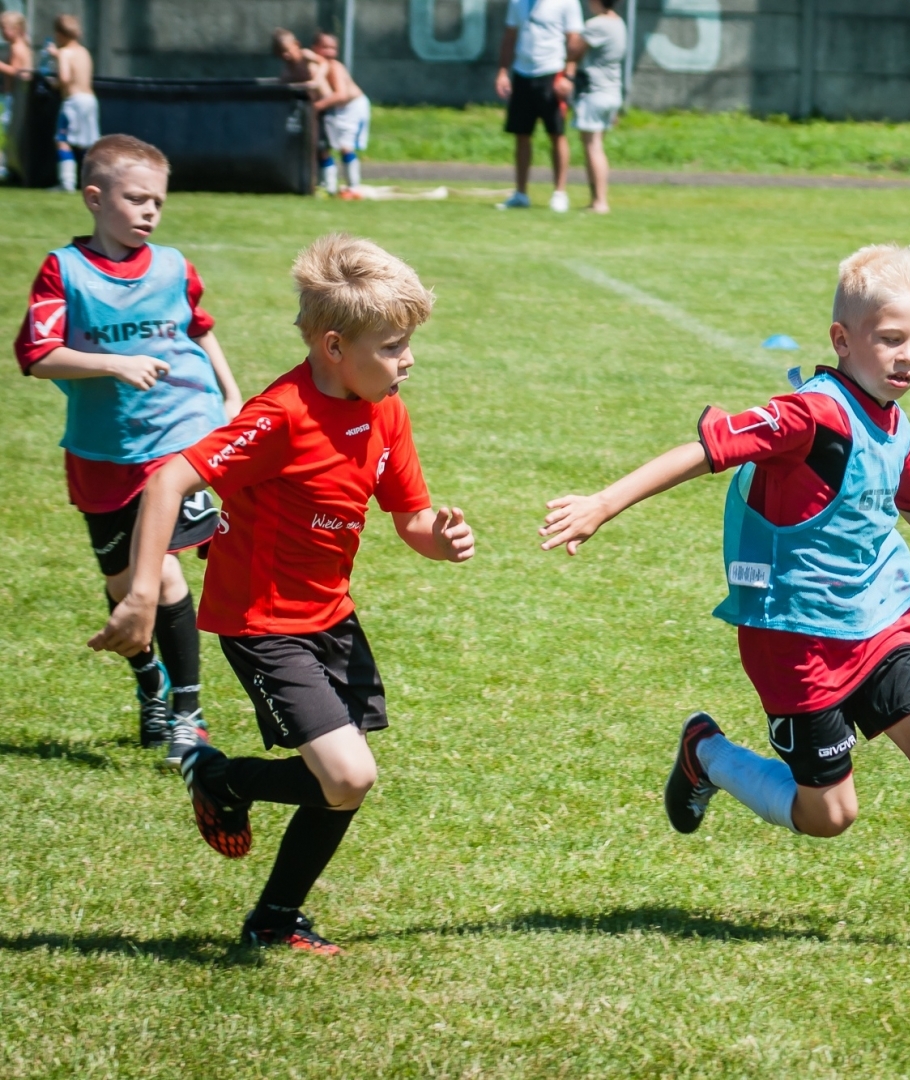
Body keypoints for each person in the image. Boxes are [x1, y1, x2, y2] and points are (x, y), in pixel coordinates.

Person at [540, 245, 910, 958]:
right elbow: (705, 452)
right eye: (890, 339)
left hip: (876, 619)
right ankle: (706, 754)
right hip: (793, 634)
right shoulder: (809, 415)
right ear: (843, 339)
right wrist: (601, 504)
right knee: (828, 815)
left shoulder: (894, 421)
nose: (908, 357)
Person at [90, 234, 476, 954]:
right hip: (263, 622)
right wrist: (143, 593)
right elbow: (169, 481)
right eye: (392, 346)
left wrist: (439, 538)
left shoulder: (385, 410)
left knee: (342, 782)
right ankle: (220, 776)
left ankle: (274, 917)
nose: (408, 360)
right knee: (348, 773)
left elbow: (410, 516)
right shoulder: (280, 416)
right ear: (334, 346)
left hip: (332, 616)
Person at [14, 135, 242, 763]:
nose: (149, 212)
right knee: (122, 585)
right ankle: (153, 688)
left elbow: (199, 330)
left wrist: (229, 393)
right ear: (94, 197)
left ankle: (189, 717)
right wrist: (112, 364)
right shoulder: (65, 270)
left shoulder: (172, 265)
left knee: (162, 571)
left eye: (158, 202)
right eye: (135, 198)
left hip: (177, 437)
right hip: (100, 451)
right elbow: (35, 357)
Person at [495, 0, 584, 212]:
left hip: (552, 73)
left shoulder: (567, 2)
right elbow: (510, 36)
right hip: (523, 74)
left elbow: (575, 41)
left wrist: (568, 76)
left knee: (556, 134)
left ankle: (560, 193)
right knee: (522, 134)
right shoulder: (517, 2)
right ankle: (520, 193)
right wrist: (502, 71)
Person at [576, 0, 625, 214]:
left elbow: (575, 48)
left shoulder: (597, 24)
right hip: (612, 91)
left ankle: (599, 201)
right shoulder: (618, 23)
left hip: (595, 91)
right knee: (597, 146)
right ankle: (596, 199)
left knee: (593, 147)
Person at [310, 33, 370, 199]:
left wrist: (316, 107)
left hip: (352, 107)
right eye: (325, 48)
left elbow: (341, 95)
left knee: (346, 146)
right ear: (315, 48)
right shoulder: (316, 66)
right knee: (323, 148)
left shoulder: (334, 66)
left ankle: (353, 187)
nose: (330, 52)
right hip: (335, 110)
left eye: (333, 48)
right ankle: (328, 187)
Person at [46, 14, 95, 193]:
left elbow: (65, 78)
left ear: (60, 34)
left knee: (62, 140)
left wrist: (55, 82)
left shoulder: (65, 53)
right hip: (90, 100)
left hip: (73, 102)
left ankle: (66, 182)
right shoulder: (84, 51)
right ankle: (94, 181)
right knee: (87, 143)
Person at [1, 10, 34, 183]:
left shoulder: (16, 47)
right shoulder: (24, 45)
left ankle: (9, 169)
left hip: (14, 97)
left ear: (16, 29)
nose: (2, 32)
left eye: (4, 28)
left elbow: (15, 71)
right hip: (17, 96)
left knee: (11, 134)